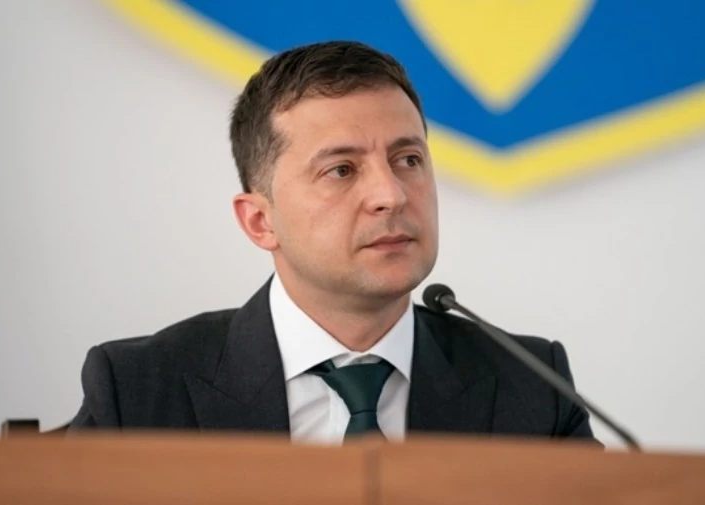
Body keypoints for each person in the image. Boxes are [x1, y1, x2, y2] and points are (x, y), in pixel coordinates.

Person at [68, 40, 598, 445]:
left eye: (408, 160)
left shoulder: (534, 385)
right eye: (341, 169)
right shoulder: (138, 392)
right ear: (260, 221)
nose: (390, 195)